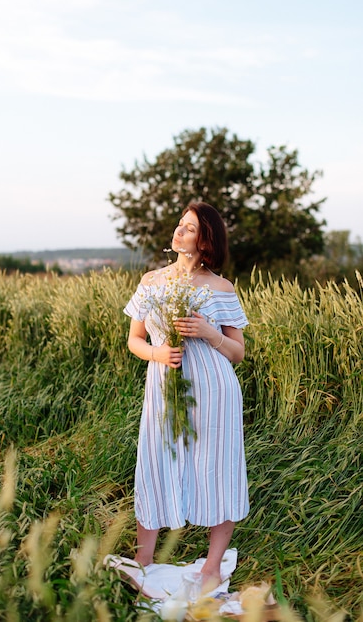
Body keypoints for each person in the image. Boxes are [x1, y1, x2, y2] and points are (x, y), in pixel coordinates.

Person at [123, 201, 249, 592]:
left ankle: (212, 566)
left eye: (189, 227)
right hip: (164, 386)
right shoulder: (152, 281)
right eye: (179, 224)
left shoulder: (221, 287)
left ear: (206, 239)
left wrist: (209, 334)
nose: (178, 231)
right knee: (155, 461)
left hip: (214, 390)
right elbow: (134, 340)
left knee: (217, 470)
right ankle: (144, 558)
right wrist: (159, 353)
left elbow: (238, 351)